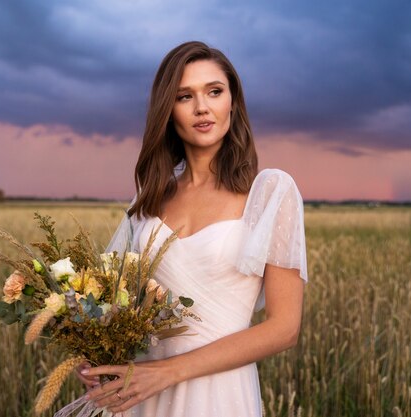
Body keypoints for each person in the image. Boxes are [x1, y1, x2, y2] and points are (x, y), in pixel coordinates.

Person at [76, 40, 308, 417]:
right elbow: (115, 303)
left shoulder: (270, 194)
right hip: (139, 395)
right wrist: (93, 355)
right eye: (184, 96)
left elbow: (285, 328)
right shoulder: (148, 200)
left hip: (218, 395)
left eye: (214, 92)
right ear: (168, 110)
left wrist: (167, 373)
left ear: (232, 101)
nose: (202, 107)